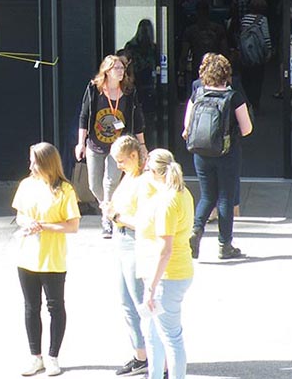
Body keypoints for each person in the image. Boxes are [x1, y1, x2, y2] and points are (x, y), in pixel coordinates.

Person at [13, 142, 81, 377]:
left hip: (53, 259)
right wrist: (28, 223)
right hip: (26, 257)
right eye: (31, 161)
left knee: (55, 307)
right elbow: (20, 215)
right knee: (31, 307)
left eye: (35, 162)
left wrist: (43, 226)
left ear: (46, 164)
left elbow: (72, 226)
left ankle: (53, 357)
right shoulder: (26, 185)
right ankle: (35, 357)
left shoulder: (65, 190)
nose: (31, 166)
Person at [183, 53, 253, 260]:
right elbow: (247, 129)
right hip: (227, 154)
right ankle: (225, 244)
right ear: (226, 74)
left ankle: (196, 230)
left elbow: (187, 127)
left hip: (201, 153)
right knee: (225, 198)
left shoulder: (197, 94)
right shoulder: (233, 97)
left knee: (207, 195)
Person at [135, 148, 194, 379]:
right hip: (172, 273)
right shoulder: (182, 193)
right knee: (152, 332)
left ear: (156, 172)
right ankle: (155, 374)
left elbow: (165, 250)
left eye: (147, 169)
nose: (145, 173)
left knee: (170, 336)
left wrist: (152, 286)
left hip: (168, 276)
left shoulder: (168, 202)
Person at [76, 55, 146, 238]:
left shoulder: (128, 91)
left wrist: (142, 144)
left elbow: (137, 119)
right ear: (107, 71)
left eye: (122, 68)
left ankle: (107, 221)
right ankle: (111, 208)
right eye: (117, 68)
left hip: (118, 146)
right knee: (94, 185)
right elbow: (84, 115)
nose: (121, 72)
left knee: (110, 182)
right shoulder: (94, 89)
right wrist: (80, 143)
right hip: (95, 144)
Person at [102, 135, 153, 377]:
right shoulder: (129, 177)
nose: (118, 165)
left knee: (141, 302)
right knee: (126, 301)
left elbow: (145, 222)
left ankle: (156, 356)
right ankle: (140, 355)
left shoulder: (145, 181)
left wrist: (115, 216)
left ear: (134, 156)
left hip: (134, 242)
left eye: (121, 161)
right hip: (121, 239)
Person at [123, 19, 159, 142]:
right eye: (143, 30)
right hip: (135, 85)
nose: (145, 33)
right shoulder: (131, 47)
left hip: (150, 85)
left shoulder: (154, 48)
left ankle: (149, 142)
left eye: (147, 31)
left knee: (149, 119)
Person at [239, 0, 271, 110]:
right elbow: (266, 37)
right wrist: (269, 51)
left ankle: (247, 102)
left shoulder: (245, 18)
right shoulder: (262, 19)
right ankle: (255, 103)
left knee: (246, 79)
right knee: (257, 79)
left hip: (245, 54)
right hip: (257, 54)